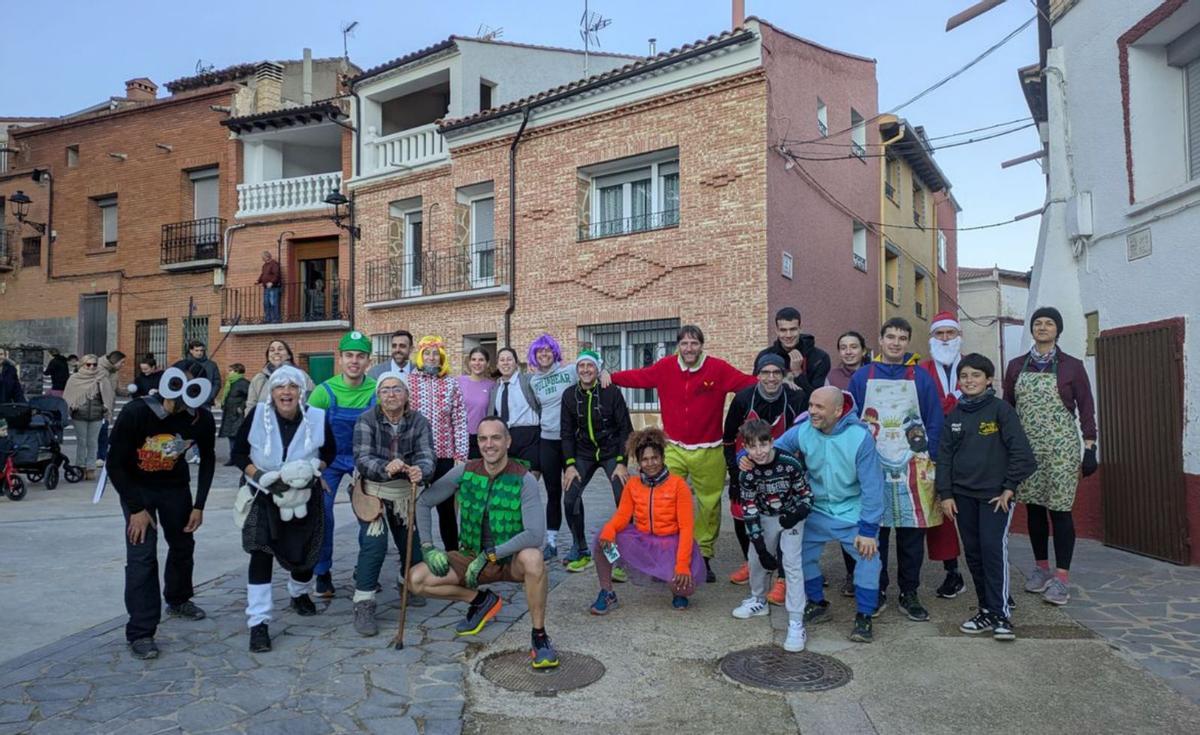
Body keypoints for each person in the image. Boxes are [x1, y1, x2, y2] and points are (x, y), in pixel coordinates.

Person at [409, 416, 559, 670]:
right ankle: (480, 601)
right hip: (470, 556)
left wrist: (490, 555)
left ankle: (539, 636)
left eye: (496, 438)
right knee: (416, 579)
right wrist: (427, 546)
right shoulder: (465, 471)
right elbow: (423, 502)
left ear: (508, 442)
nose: (489, 444)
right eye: (483, 439)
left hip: (510, 559)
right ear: (478, 442)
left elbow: (535, 535)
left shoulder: (524, 478)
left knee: (534, 558)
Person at [612, 325, 756, 582]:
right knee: (662, 500)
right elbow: (639, 377)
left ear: (702, 345)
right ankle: (663, 555)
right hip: (674, 447)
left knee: (708, 506)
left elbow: (747, 383)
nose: (689, 348)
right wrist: (610, 377)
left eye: (694, 343)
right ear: (678, 345)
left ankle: (703, 557)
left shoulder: (718, 369)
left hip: (709, 449)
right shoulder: (665, 367)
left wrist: (779, 381)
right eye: (685, 343)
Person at [107, 362, 217, 659]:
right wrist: (136, 509)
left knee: (183, 545)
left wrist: (199, 505)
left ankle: (179, 598)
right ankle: (141, 632)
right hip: (137, 489)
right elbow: (114, 463)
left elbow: (208, 460)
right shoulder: (137, 412)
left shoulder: (200, 420)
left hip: (175, 489)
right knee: (142, 556)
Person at [232, 366, 335, 652]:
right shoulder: (256, 417)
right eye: (280, 387)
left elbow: (329, 453)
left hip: (304, 495)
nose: (286, 392)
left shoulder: (316, 417)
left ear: (301, 391)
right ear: (272, 392)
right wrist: (260, 476)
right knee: (260, 553)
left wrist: (314, 469)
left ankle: (299, 592)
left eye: (292, 387)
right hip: (265, 494)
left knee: (305, 556)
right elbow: (239, 453)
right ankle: (259, 622)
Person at [847, 317, 943, 621]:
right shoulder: (862, 377)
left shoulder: (922, 378)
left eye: (902, 338)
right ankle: (875, 589)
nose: (896, 343)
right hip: (872, 466)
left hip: (912, 466)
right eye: (891, 337)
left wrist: (933, 457)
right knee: (875, 534)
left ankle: (909, 592)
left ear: (908, 342)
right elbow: (850, 420)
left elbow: (934, 419)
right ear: (881, 339)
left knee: (911, 536)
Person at [773, 386, 884, 643]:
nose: (812, 411)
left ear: (837, 410)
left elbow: (873, 487)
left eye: (819, 407)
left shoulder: (860, 437)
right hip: (817, 509)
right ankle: (817, 603)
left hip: (852, 512)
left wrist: (868, 530)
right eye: (811, 405)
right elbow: (776, 449)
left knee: (869, 560)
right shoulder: (804, 429)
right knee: (798, 555)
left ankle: (865, 616)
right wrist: (748, 456)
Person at [1003, 306, 1097, 607]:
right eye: (1038, 323)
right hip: (1027, 450)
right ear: (1032, 330)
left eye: (1049, 323)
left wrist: (1090, 448)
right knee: (1033, 510)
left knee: (1060, 511)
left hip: (1061, 449)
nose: (1043, 327)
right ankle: (1041, 568)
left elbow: (1086, 408)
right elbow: (1008, 407)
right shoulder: (1017, 366)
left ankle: (1061, 578)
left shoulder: (1071, 366)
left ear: (1057, 330)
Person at [938, 354, 1037, 641]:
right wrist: (946, 494)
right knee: (974, 554)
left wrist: (1009, 488)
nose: (970, 381)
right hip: (962, 498)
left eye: (976, 375)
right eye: (964, 376)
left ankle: (1001, 614)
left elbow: (1023, 455)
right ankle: (985, 610)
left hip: (996, 498)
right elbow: (944, 457)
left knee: (993, 551)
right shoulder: (955, 415)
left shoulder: (1001, 411)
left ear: (988, 379)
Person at [350, 372, 435, 636]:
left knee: (411, 545)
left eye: (397, 389)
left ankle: (406, 583)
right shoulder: (366, 420)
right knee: (374, 544)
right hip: (373, 490)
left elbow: (427, 455)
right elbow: (362, 459)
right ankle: (363, 602)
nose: (391, 394)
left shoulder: (419, 421)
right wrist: (386, 467)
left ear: (407, 395)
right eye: (385, 390)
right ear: (378, 396)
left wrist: (421, 470)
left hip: (405, 493)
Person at [590, 428, 704, 614]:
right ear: (638, 462)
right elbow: (622, 516)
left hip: (670, 545)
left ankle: (674, 587)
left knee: (684, 588)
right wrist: (610, 529)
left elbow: (686, 527)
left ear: (662, 458)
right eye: (645, 459)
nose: (650, 463)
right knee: (601, 540)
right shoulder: (633, 484)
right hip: (642, 541)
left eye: (655, 458)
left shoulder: (678, 485)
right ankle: (607, 592)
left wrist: (682, 563)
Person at [722, 352, 805, 602]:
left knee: (781, 521)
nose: (771, 378)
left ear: (784, 375)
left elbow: (803, 435)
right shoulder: (743, 399)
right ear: (757, 375)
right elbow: (728, 439)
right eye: (765, 373)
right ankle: (752, 560)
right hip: (748, 465)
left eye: (776, 373)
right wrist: (735, 474)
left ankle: (781, 577)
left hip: (782, 470)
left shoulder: (796, 397)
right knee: (740, 513)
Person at [731, 419, 813, 652]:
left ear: (772, 441)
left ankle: (796, 621)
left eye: (763, 445)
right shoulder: (747, 473)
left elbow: (807, 495)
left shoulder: (790, 463)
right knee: (756, 559)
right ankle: (758, 599)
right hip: (765, 516)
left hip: (791, 516)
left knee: (792, 563)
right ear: (745, 448)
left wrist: (797, 513)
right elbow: (749, 507)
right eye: (752, 447)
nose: (759, 452)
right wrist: (758, 543)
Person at [306, 331, 378, 597]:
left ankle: (365, 568)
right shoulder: (323, 393)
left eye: (360, 356)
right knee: (323, 514)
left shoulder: (376, 390)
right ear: (340, 359)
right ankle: (322, 572)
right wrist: (315, 470)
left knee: (370, 514)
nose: (354, 361)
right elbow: (309, 437)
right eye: (349, 355)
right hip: (330, 462)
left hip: (363, 460)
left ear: (368, 361)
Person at [560, 350, 633, 572]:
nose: (585, 370)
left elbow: (625, 429)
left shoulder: (611, 392)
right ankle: (579, 546)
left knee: (623, 495)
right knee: (570, 497)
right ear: (577, 370)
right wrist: (570, 465)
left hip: (612, 452)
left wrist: (622, 462)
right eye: (581, 366)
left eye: (589, 366)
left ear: (597, 368)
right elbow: (566, 432)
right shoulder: (569, 395)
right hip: (584, 453)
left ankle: (625, 552)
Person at [527, 333, 591, 562]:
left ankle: (579, 543)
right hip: (547, 441)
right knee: (552, 493)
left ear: (554, 352)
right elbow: (535, 407)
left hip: (571, 442)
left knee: (573, 494)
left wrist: (603, 372)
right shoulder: (533, 381)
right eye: (539, 351)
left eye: (547, 350)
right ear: (534, 356)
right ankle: (551, 543)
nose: (544, 354)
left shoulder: (570, 371)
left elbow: (591, 368)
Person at [919, 311, 968, 599]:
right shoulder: (922, 370)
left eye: (951, 333)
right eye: (940, 334)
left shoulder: (972, 367)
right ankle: (952, 572)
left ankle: (986, 570)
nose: (946, 339)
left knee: (974, 516)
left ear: (959, 337)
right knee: (939, 512)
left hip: (971, 452)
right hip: (934, 450)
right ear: (932, 338)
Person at [408, 335, 469, 552]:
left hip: (444, 455)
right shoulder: (410, 381)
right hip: (417, 456)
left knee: (446, 509)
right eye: (427, 353)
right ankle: (417, 553)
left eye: (436, 354)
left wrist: (460, 455)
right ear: (421, 356)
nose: (432, 358)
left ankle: (452, 552)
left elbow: (460, 420)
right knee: (414, 507)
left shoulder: (451, 383)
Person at [755, 307, 832, 395]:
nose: (788, 335)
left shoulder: (820, 358)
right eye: (783, 330)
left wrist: (797, 373)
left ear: (800, 329)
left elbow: (817, 398)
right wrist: (781, 382)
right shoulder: (765, 356)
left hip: (805, 408)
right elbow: (755, 390)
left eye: (793, 329)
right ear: (776, 331)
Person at [488, 347, 541, 469]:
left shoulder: (528, 381)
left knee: (530, 476)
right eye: (502, 360)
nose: (505, 363)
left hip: (529, 436)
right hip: (505, 436)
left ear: (516, 363)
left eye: (509, 359)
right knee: (509, 479)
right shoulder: (496, 388)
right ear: (497, 364)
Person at [63, 354, 113, 479]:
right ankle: (80, 467)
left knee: (93, 442)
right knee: (82, 442)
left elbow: (108, 396)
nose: (91, 367)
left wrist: (105, 407)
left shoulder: (102, 378)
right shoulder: (75, 378)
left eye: (94, 364)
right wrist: (72, 405)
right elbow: (68, 396)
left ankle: (90, 468)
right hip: (79, 415)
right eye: (88, 364)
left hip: (97, 415)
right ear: (82, 364)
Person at [247, 340, 314, 407]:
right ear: (268, 356)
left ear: (289, 355)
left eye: (280, 349)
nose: (276, 352)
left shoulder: (301, 375)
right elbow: (251, 406)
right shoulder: (259, 379)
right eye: (272, 350)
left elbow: (311, 401)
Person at [458, 347, 496, 459]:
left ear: (487, 363)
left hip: (483, 438)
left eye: (481, 360)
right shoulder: (458, 381)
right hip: (461, 437)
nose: (477, 363)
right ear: (469, 363)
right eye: (474, 359)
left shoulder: (493, 386)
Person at [95, 350, 126, 466]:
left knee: (103, 432)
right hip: (98, 407)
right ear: (115, 361)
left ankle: (101, 457)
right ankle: (99, 457)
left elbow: (115, 389)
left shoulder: (113, 372)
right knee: (101, 433)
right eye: (122, 362)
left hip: (108, 407)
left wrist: (126, 392)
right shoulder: (98, 370)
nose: (122, 365)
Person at [218, 363, 250, 465]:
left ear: (237, 371)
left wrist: (241, 407)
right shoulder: (230, 383)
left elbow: (250, 396)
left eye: (231, 371)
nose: (229, 373)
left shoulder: (243, 383)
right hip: (229, 413)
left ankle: (238, 457)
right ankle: (233, 457)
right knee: (231, 436)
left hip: (237, 414)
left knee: (237, 436)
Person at [257, 250, 282, 324]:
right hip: (266, 288)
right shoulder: (264, 265)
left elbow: (276, 275)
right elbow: (263, 274)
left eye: (263, 257)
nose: (262, 259)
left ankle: (276, 319)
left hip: (273, 287)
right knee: (266, 303)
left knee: (273, 303)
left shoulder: (274, 264)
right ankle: (268, 319)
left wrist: (272, 282)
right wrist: (258, 281)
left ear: (267, 257)